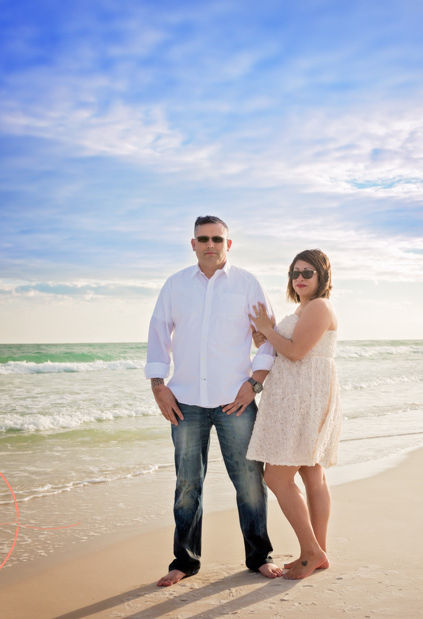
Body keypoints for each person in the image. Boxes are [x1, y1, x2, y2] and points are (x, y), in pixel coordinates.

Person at [145, 215, 283, 586]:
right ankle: (184, 562)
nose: (210, 245)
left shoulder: (247, 283)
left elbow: (270, 335)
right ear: (193, 244)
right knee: (188, 483)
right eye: (203, 239)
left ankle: (260, 556)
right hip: (185, 400)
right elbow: (158, 333)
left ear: (228, 244)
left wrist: (254, 383)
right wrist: (159, 384)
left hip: (234, 399)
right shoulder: (175, 285)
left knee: (250, 481)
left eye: (217, 239)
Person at [247, 248, 340, 580]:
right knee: (312, 474)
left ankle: (313, 551)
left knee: (276, 477)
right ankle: (316, 553)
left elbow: (297, 353)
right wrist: (266, 334)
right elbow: (287, 346)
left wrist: (267, 329)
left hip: (304, 398)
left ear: (322, 277)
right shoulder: (304, 308)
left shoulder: (319, 306)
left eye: (307, 273)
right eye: (294, 273)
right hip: (299, 395)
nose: (299, 278)